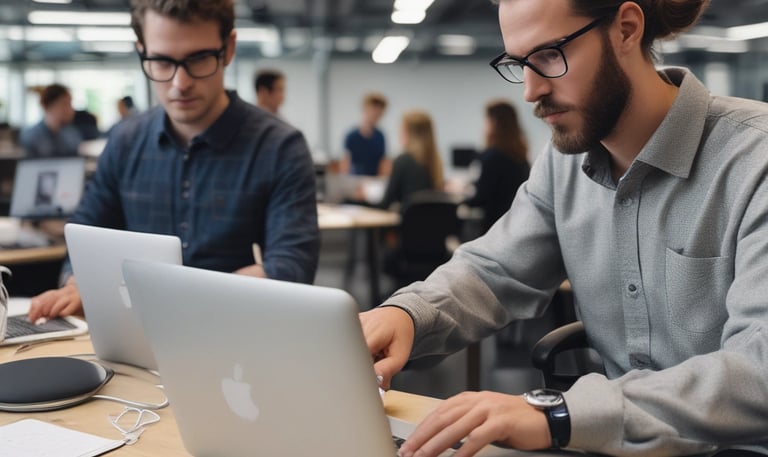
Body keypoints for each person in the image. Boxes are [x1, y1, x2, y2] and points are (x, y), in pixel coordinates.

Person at [360, 0, 768, 455]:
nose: (530, 91)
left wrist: (560, 413)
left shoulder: (755, 160)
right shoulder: (563, 166)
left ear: (627, 30)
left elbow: (760, 368)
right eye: (519, 64)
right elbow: (492, 271)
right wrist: (408, 315)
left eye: (550, 55)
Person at [28, 0, 320, 322]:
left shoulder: (280, 147)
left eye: (199, 59)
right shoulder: (125, 141)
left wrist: (191, 298)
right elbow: (85, 233)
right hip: (134, 335)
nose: (180, 83)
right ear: (142, 51)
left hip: (238, 338)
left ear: (229, 48)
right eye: (162, 61)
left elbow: (292, 266)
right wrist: (78, 283)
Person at [464, 100, 530, 232]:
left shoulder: (491, 157)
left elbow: (480, 197)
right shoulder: (521, 157)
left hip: (494, 227)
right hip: (516, 225)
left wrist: (462, 196)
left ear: (493, 122)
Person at [377, 110, 443, 210]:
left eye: (401, 130)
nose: (399, 134)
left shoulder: (403, 161)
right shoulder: (435, 162)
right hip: (429, 224)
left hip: (407, 223)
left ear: (408, 133)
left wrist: (355, 201)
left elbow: (385, 204)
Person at [19, 84, 82, 158]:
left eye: (70, 104)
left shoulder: (72, 134)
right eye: (65, 104)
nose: (71, 110)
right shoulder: (30, 136)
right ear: (47, 106)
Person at [340, 92, 389, 176]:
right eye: (374, 110)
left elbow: (383, 163)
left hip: (374, 182)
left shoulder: (380, 136)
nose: (376, 115)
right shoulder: (351, 136)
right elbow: (345, 164)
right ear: (365, 109)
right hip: (355, 181)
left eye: (379, 113)